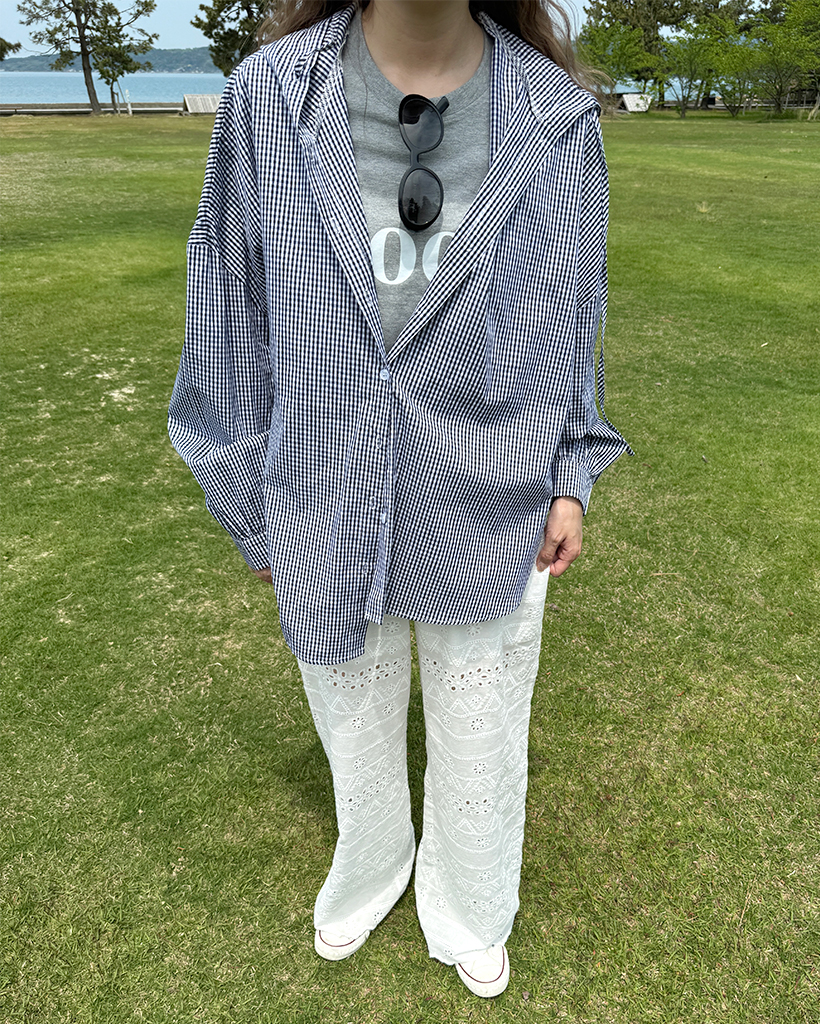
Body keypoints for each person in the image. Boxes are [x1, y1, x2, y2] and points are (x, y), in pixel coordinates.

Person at [169, 0, 630, 999]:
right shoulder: (269, 95)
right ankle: (373, 858)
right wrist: (246, 493)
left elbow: (574, 304)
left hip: (494, 477)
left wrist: (569, 472)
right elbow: (227, 295)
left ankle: (471, 900)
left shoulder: (553, 114)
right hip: (323, 473)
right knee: (351, 711)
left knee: (482, 719)